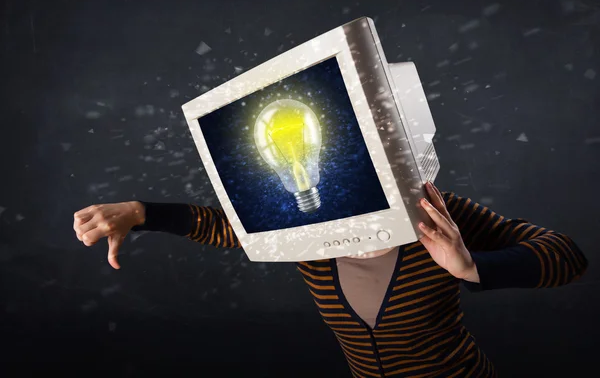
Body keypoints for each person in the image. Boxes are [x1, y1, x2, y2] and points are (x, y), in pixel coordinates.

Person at [73, 181, 588, 378]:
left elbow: (566, 255)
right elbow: (225, 227)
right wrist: (141, 211)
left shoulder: (436, 213)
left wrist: (469, 266)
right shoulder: (305, 225)